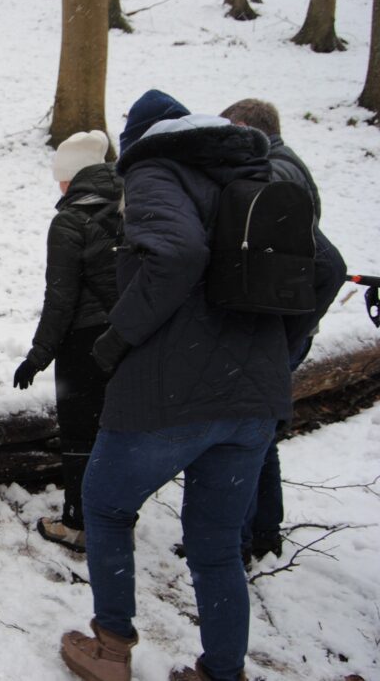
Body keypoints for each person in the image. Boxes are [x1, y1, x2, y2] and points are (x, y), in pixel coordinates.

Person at [58, 90, 337, 681]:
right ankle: (221, 671)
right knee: (214, 545)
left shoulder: (158, 168)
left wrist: (118, 336)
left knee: (106, 507)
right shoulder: (254, 178)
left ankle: (110, 651)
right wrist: (277, 353)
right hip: (252, 402)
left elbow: (178, 253)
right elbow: (327, 266)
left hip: (168, 392)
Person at [220, 98, 347, 563]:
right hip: (281, 325)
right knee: (260, 433)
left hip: (273, 328)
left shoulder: (273, 175)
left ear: (243, 127)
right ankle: (263, 532)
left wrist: (288, 338)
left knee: (245, 436)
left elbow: (326, 264)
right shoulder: (284, 167)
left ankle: (236, 542)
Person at [13, 130, 121, 554]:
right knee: (114, 431)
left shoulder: (71, 220)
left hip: (85, 342)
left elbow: (61, 300)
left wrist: (37, 357)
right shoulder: (132, 204)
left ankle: (79, 523)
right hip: (129, 334)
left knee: (80, 435)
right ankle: (115, 517)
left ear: (72, 176)